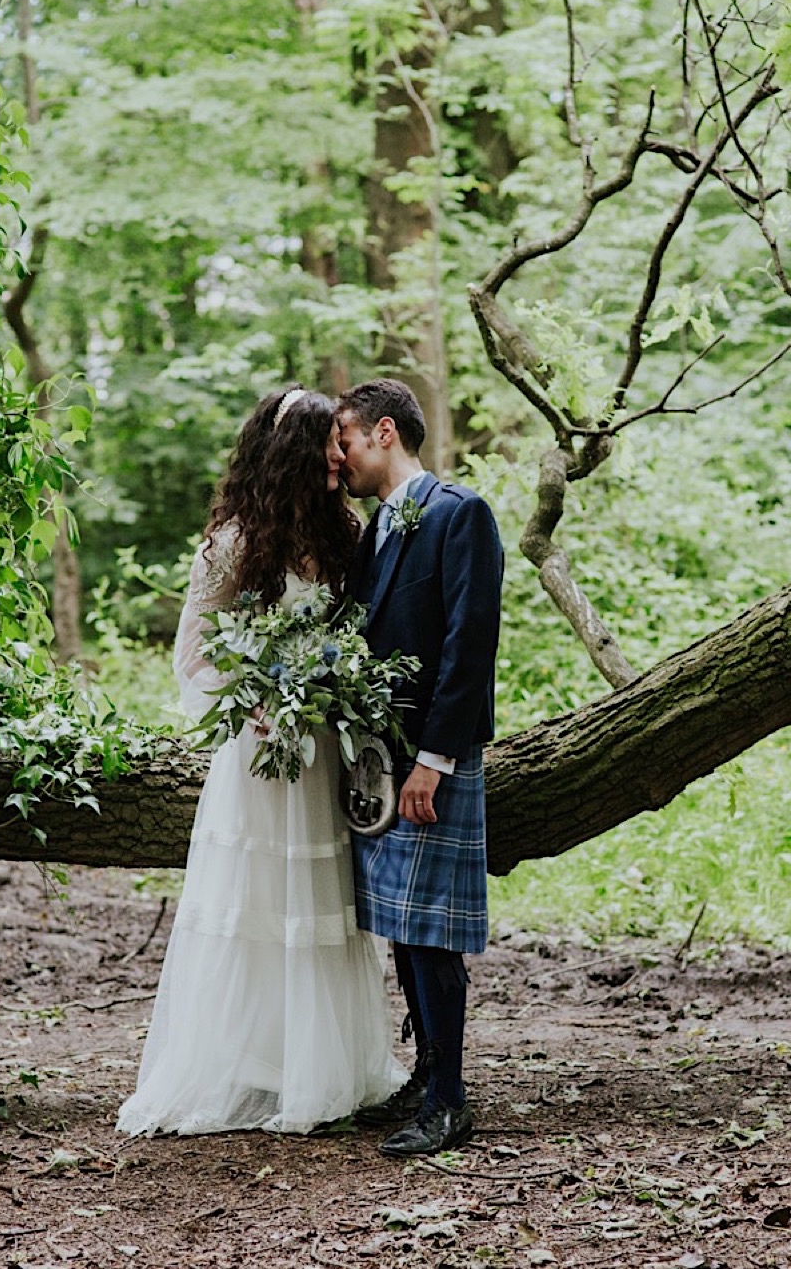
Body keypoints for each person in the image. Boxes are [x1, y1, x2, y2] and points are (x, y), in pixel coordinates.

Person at [117, 387, 407, 1136]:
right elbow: (195, 649)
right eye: (330, 444)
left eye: (344, 443)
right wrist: (252, 702)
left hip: (325, 751)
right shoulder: (234, 544)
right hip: (261, 754)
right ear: (294, 454)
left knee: (321, 903)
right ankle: (248, 1064)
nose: (341, 456)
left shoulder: (346, 534)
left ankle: (317, 1066)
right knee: (255, 904)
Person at [334, 379, 504, 1158]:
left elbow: (470, 643)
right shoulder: (376, 529)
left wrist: (434, 759)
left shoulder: (460, 513)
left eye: (346, 440)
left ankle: (450, 1102)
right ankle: (428, 1072)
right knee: (403, 926)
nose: (341, 457)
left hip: (434, 757)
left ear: (384, 432)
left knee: (431, 930)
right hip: (382, 760)